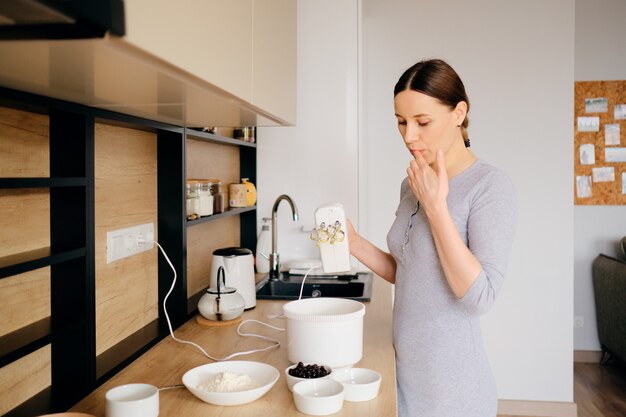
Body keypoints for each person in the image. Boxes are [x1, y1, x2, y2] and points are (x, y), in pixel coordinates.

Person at [347, 59, 517, 417]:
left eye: (422, 122)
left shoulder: (490, 186)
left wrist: (436, 207)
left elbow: (480, 297)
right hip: (405, 371)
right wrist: (354, 243)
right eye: (401, 122)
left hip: (451, 388)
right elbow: (411, 272)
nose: (409, 135)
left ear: (459, 113)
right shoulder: (412, 183)